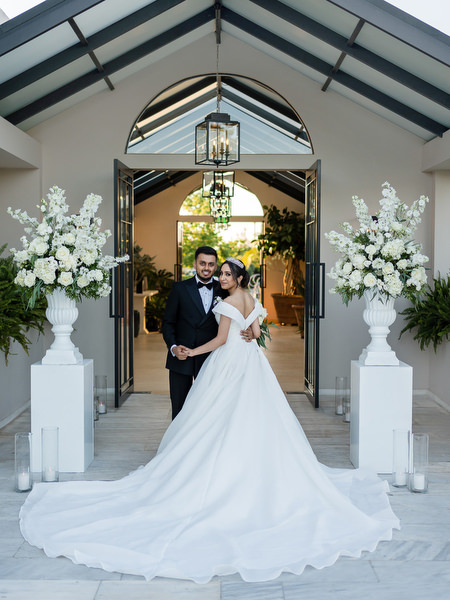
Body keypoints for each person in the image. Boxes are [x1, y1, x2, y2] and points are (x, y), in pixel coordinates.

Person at [19, 257, 399, 584]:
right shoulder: (251, 300)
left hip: (227, 365)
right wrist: (244, 331)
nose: (221, 278)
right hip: (251, 366)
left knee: (214, 415)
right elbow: (253, 335)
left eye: (227, 275)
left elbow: (220, 341)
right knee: (253, 416)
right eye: (220, 274)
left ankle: (221, 472)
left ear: (239, 279)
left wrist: (189, 352)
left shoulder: (227, 302)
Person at [161, 246, 221, 419]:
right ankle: (176, 445)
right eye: (202, 263)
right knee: (179, 408)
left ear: (215, 266)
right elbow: (168, 323)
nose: (206, 268)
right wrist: (173, 348)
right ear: (195, 264)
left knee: (208, 408)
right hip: (182, 357)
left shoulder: (222, 289)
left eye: (211, 264)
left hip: (211, 357)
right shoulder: (180, 288)